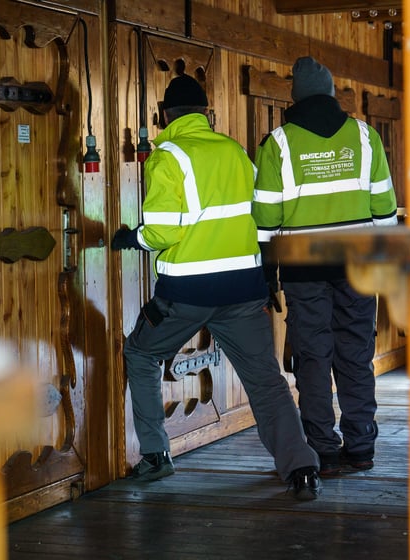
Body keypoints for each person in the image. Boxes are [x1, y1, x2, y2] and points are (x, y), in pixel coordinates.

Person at [111, 73, 322, 500]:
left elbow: (164, 231)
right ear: (207, 113)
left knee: (141, 352)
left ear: (164, 115)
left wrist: (131, 238)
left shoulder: (167, 154)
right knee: (266, 380)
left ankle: (155, 456)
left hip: (187, 294)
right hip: (243, 290)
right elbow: (260, 216)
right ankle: (301, 468)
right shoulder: (235, 152)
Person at [251, 57, 398, 477]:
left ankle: (323, 448)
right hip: (357, 263)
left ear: (295, 97)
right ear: (333, 93)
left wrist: (267, 274)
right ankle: (362, 446)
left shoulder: (278, 143)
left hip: (303, 268)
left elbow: (265, 220)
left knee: (313, 356)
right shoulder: (366, 138)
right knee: (356, 353)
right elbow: (384, 210)